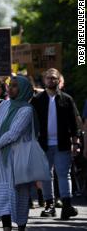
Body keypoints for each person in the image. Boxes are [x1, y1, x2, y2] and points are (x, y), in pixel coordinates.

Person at [0, 75, 36, 231]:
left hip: (19, 158)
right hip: (1, 158)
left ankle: (21, 227)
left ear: (23, 89)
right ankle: (6, 228)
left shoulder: (27, 110)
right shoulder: (4, 105)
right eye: (9, 85)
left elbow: (14, 133)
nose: (10, 88)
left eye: (15, 86)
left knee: (20, 194)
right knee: (3, 193)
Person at [31, 68, 82, 220]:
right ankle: (49, 206)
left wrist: (76, 142)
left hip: (63, 143)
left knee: (63, 174)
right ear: (44, 80)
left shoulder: (67, 99)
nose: (51, 80)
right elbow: (32, 122)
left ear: (59, 81)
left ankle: (66, 205)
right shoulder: (37, 99)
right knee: (46, 176)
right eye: (49, 78)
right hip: (43, 144)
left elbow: (74, 123)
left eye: (54, 78)